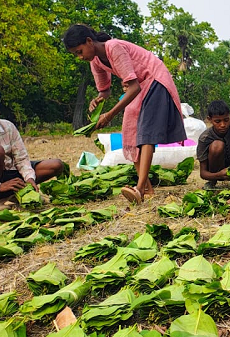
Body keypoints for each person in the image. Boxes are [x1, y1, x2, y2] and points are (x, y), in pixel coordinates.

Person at [63, 24, 186, 204]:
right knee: (130, 133)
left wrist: (110, 114)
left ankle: (139, 188)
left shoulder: (114, 47)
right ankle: (147, 190)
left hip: (154, 79)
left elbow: (133, 87)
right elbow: (104, 91)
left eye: (80, 51)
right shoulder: (95, 61)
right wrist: (98, 101)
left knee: (146, 132)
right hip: (139, 86)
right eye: (76, 54)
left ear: (89, 41)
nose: (80, 57)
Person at [0, 90, 64, 200]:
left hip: (11, 173)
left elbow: (21, 159)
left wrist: (29, 179)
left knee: (56, 165)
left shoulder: (8, 127)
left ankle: (14, 189)